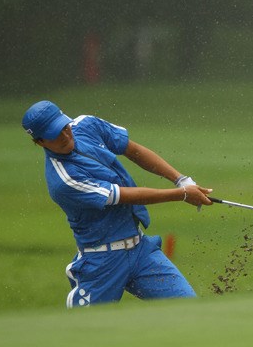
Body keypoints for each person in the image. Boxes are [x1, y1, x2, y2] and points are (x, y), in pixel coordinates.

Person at [22, 100, 213, 308]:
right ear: (40, 142)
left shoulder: (87, 125)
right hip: (102, 262)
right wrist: (182, 195)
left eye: (64, 127)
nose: (65, 135)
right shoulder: (64, 180)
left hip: (141, 252)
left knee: (188, 309)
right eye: (55, 134)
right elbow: (127, 196)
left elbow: (134, 151)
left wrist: (181, 180)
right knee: (85, 333)